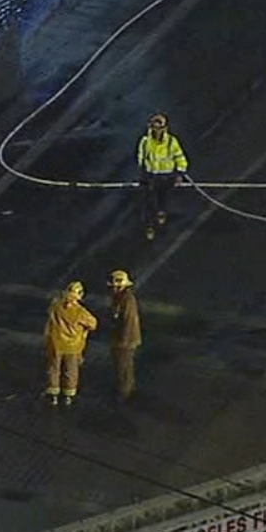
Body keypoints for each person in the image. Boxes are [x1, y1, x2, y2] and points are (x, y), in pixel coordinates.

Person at [43, 281, 97, 406]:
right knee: (71, 370)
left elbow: (49, 314)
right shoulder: (80, 312)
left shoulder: (56, 307)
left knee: (53, 368)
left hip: (56, 343)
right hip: (73, 346)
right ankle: (68, 395)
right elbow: (93, 324)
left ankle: (53, 394)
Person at [137, 113, 188, 240]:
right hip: (151, 175)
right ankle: (149, 226)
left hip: (167, 176)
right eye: (155, 127)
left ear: (164, 128)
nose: (157, 130)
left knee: (163, 197)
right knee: (148, 202)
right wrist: (143, 173)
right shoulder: (145, 142)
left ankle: (161, 212)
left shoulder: (171, 141)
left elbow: (179, 157)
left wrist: (180, 173)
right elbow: (141, 157)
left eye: (160, 127)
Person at [107, 270, 141, 402]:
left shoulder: (127, 299)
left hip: (124, 340)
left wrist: (124, 341)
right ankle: (126, 389)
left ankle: (124, 393)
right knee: (123, 366)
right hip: (120, 338)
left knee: (123, 367)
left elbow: (128, 321)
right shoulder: (120, 298)